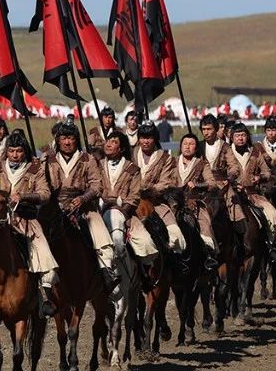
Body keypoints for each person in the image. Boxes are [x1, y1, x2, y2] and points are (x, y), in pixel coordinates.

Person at [0, 131, 59, 316]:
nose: (15, 155)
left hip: (25, 220)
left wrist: (23, 196)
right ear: (6, 152)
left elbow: (45, 194)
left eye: (19, 151)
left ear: (25, 151)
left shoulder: (35, 169)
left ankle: (43, 296)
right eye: (11, 151)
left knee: (42, 254)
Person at [44, 120, 115, 280]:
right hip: (55, 207)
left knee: (100, 233)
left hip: (83, 207)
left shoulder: (88, 159)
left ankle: (107, 272)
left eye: (71, 138)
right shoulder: (49, 160)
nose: (67, 142)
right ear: (58, 140)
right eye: (63, 138)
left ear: (76, 139)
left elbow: (97, 185)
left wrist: (83, 198)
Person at [98, 133, 160, 287]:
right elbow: (94, 186)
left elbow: (134, 195)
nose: (109, 144)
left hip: (124, 212)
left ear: (122, 148)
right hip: (99, 211)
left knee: (144, 243)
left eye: (114, 142)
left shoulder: (133, 169)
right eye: (108, 141)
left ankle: (143, 271)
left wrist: (123, 209)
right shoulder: (97, 165)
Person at [222, 122, 276, 259]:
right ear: (232, 137)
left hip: (253, 194)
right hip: (232, 194)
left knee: (272, 214)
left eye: (243, 135)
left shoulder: (255, 152)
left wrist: (259, 177)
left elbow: (267, 172)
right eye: (237, 136)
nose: (240, 138)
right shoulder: (226, 152)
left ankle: (270, 245)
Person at [132, 121, 187, 253]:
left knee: (175, 234)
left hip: (156, 202)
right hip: (131, 202)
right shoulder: (132, 154)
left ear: (155, 139)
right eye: (143, 138)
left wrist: (146, 190)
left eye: (149, 138)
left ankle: (177, 264)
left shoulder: (165, 158)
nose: (145, 141)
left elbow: (165, 182)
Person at [174, 133, 222, 263]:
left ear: (196, 147)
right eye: (185, 144)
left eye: (191, 144)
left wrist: (197, 185)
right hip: (172, 202)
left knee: (204, 224)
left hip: (193, 203)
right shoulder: (172, 162)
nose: (187, 147)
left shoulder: (202, 164)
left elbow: (212, 183)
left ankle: (209, 255)